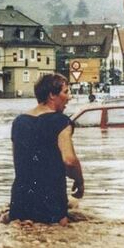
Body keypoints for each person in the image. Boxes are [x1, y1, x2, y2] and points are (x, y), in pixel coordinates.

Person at [9, 73, 84, 226]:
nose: (69, 97)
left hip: (20, 200)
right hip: (51, 202)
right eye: (66, 92)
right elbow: (69, 160)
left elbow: (18, 161)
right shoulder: (61, 122)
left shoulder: (19, 122)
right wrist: (79, 180)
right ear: (52, 95)